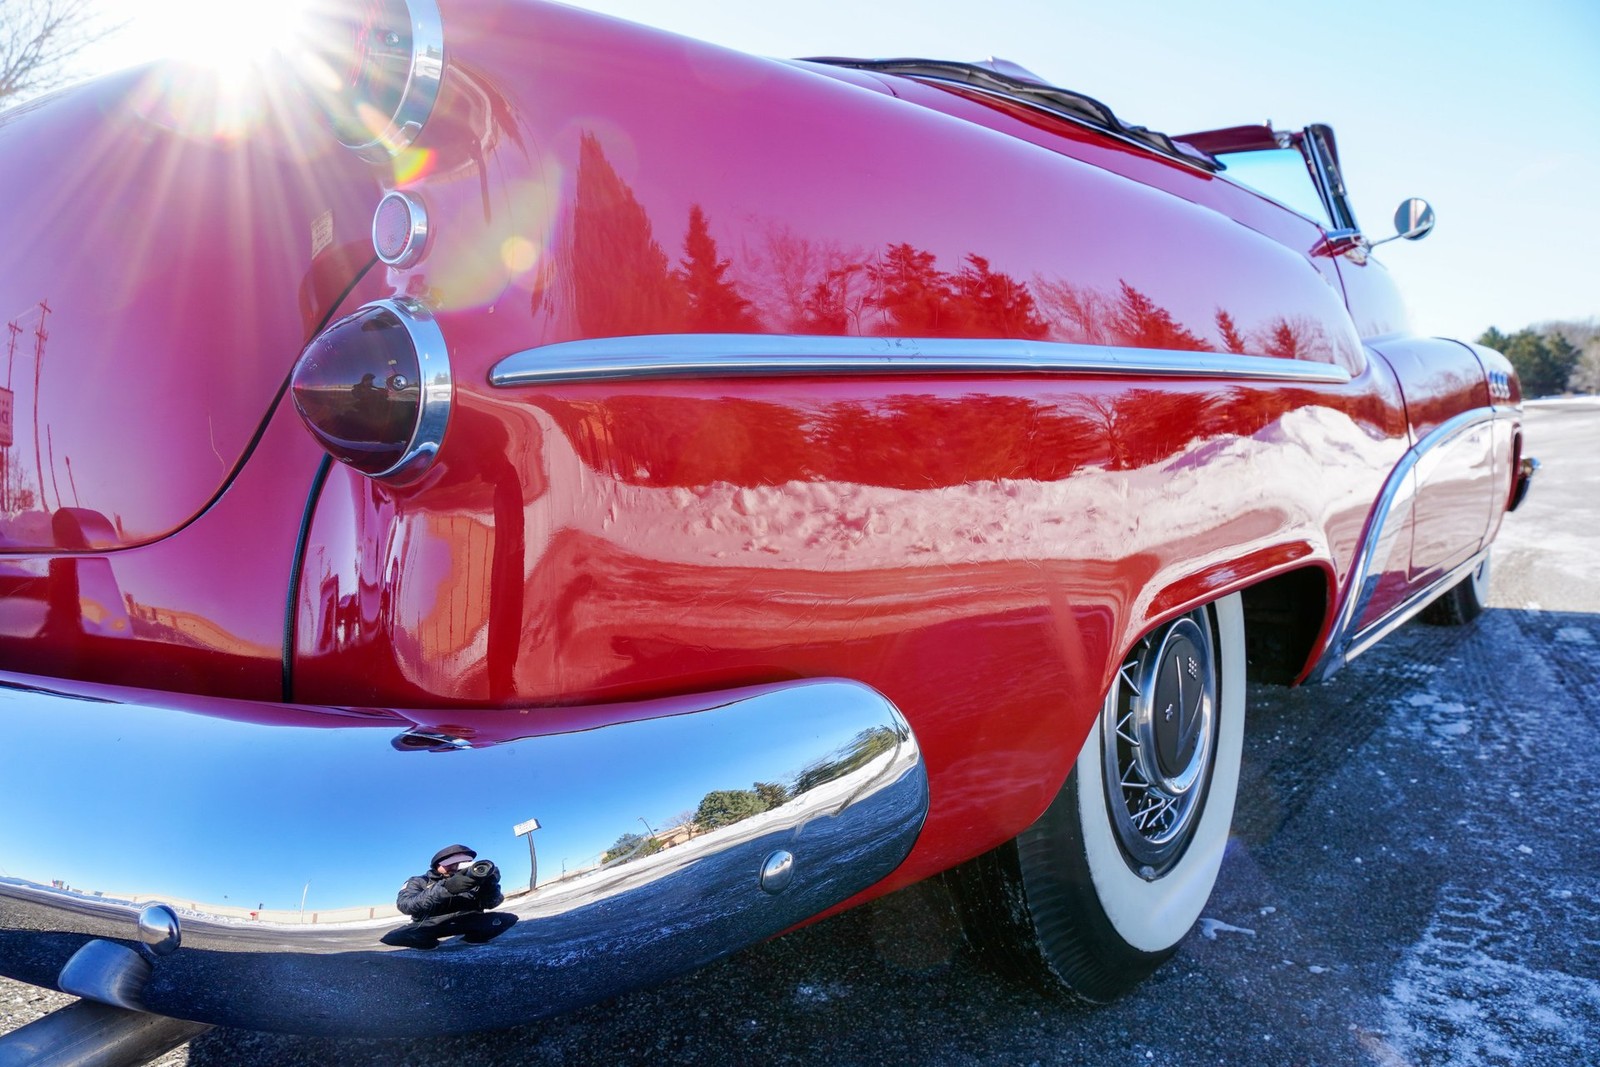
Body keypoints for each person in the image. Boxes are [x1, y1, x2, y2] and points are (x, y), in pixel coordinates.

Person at [380, 844, 517, 949]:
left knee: (507, 919)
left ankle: (473, 939)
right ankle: (426, 942)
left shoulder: (474, 878)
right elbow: (405, 905)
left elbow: (491, 903)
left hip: (467, 920)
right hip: (431, 924)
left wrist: (490, 885)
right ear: (437, 865)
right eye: (450, 863)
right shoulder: (418, 881)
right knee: (392, 937)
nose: (455, 867)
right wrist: (446, 888)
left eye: (461, 862)